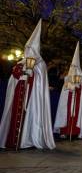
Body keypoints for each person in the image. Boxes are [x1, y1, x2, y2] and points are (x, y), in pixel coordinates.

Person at [0, 19, 55, 149]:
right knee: (15, 114)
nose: (29, 50)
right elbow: (14, 75)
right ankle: (12, 141)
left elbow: (41, 80)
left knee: (30, 115)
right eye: (28, 48)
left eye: (32, 48)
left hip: (32, 95)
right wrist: (21, 73)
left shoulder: (40, 64)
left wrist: (33, 74)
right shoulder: (20, 62)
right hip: (19, 92)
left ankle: (28, 139)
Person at [54, 42, 82, 139]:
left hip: (77, 100)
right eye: (72, 67)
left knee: (76, 115)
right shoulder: (67, 78)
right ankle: (65, 131)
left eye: (75, 67)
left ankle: (75, 132)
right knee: (66, 114)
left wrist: (79, 85)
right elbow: (64, 87)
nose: (73, 69)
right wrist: (70, 86)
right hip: (68, 99)